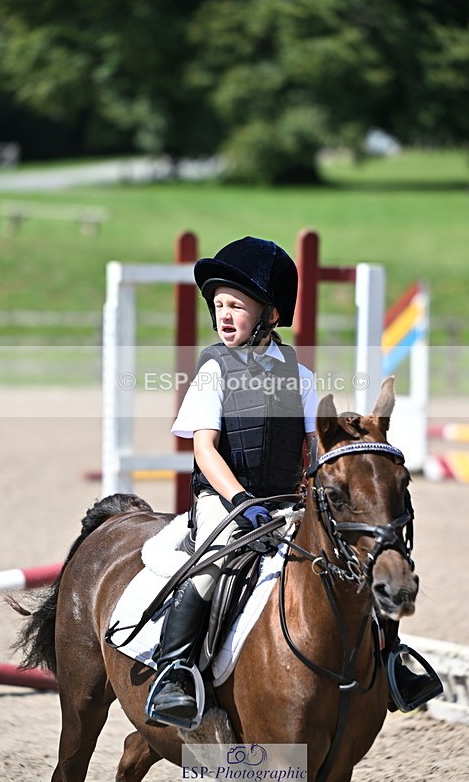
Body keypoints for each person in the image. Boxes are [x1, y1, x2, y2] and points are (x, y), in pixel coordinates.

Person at [145, 236, 318, 726]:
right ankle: (174, 674)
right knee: (210, 566)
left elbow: (315, 446)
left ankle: (389, 658)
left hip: (283, 502)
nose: (223, 315)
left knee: (345, 555)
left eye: (236, 306)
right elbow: (204, 448)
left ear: (271, 316)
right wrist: (241, 500)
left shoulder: (301, 378)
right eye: (219, 305)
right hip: (223, 499)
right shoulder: (213, 371)